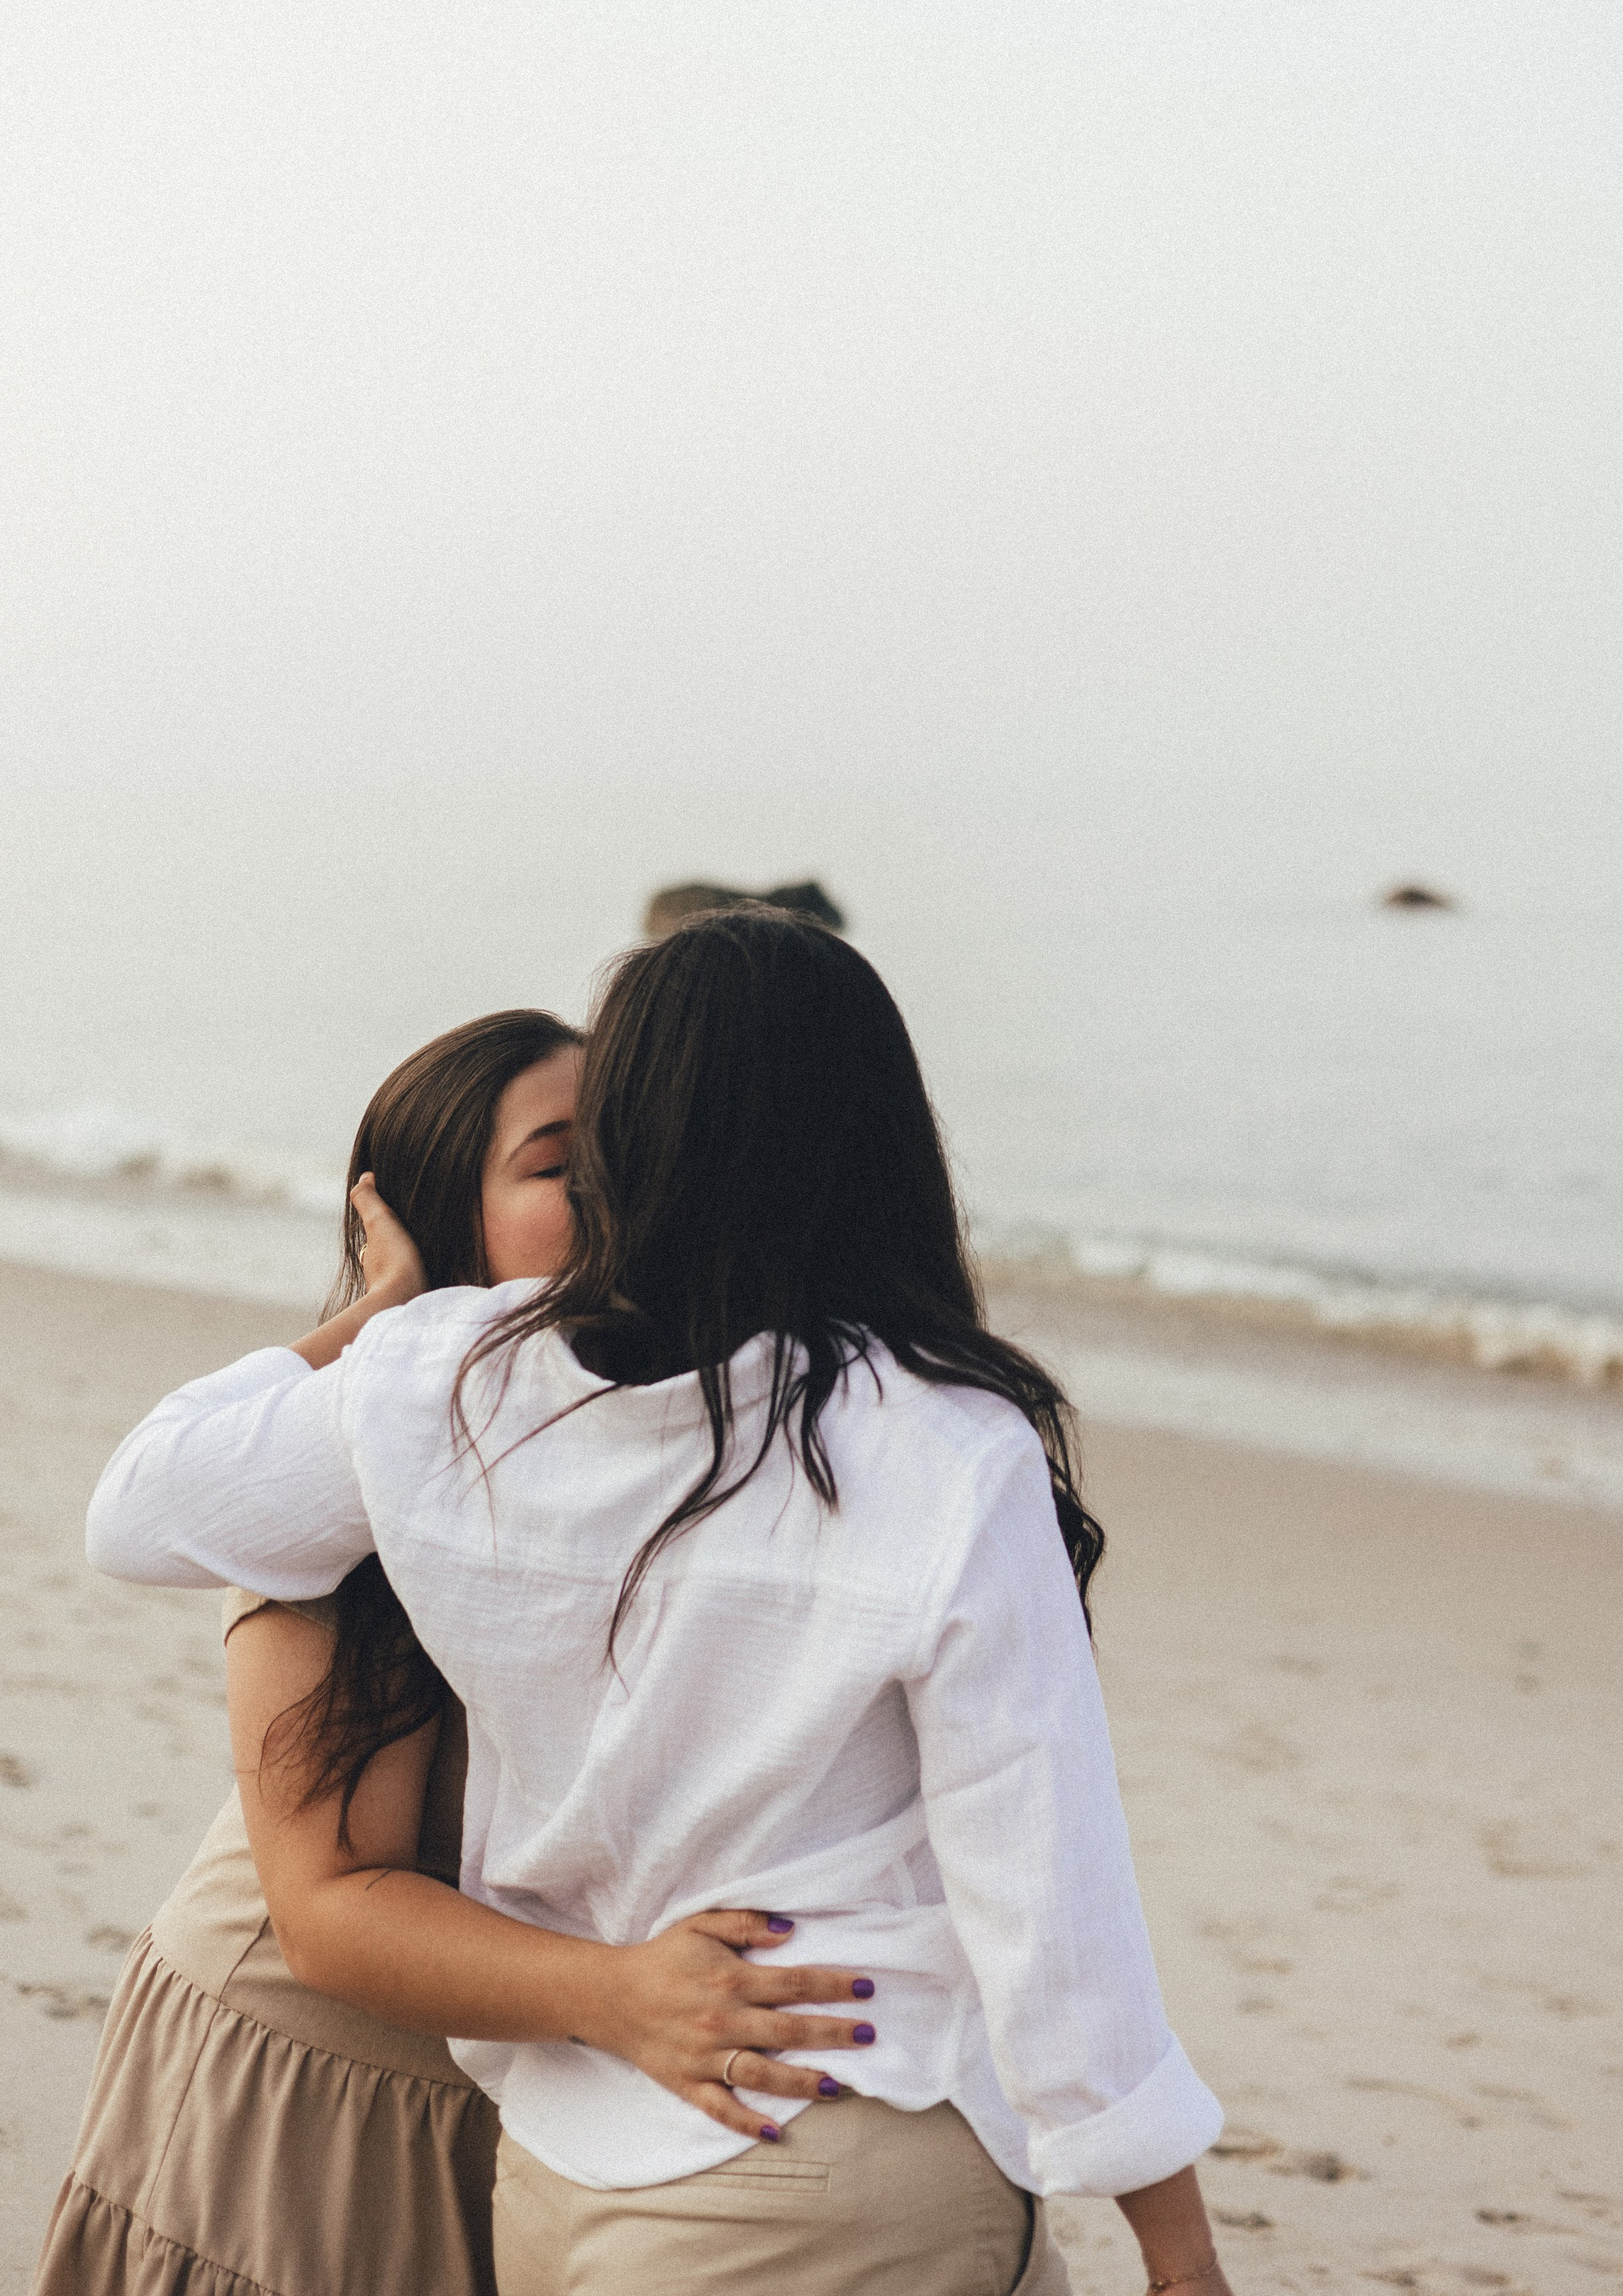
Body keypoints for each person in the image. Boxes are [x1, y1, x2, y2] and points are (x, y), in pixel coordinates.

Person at [88, 913, 1238, 2296]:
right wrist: (1174, 2248)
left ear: (629, 1137)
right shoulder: (942, 1445)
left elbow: (141, 1506)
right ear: (878, 1140)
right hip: (840, 2119)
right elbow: (1044, 1882)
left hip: (565, 2169)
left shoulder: (447, 1384)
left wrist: (382, 1312)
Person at [40, 1008, 872, 2296]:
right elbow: (328, 1917)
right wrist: (388, 1317)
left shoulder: (658, 1428)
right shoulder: (346, 1477)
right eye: (557, 1169)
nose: (617, 1197)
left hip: (534, 2081)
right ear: (446, 1221)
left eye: (629, 1154)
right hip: (310, 2090)